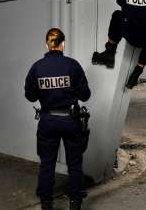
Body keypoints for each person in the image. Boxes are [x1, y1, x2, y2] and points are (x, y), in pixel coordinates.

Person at [24, 28, 91, 210]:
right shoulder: (73, 65)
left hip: (48, 120)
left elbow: (30, 96)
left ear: (46, 44)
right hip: (71, 120)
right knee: (74, 163)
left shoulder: (37, 67)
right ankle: (75, 202)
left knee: (47, 164)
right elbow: (85, 95)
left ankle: (46, 204)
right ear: (63, 44)